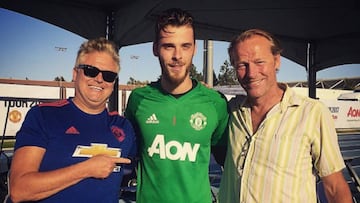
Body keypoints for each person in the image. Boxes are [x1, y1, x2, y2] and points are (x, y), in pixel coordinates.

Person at [217, 28, 352, 203]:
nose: (251, 73)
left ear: (277, 61)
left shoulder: (312, 113)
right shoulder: (232, 110)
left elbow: (334, 187)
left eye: (259, 62)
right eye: (242, 65)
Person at [6, 37, 136, 203]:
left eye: (109, 75)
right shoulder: (44, 116)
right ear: (75, 74)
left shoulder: (123, 126)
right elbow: (19, 190)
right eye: (90, 70)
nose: (99, 79)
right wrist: (86, 169)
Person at [124, 8, 229, 203]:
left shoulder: (215, 103)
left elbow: (229, 164)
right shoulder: (139, 100)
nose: (177, 56)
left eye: (185, 46)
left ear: (195, 49)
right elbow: (126, 157)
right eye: (168, 46)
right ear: (155, 48)